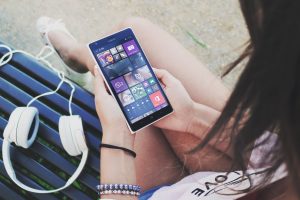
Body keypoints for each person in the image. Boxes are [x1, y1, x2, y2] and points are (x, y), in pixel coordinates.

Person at [36, 1, 300, 199]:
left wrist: (117, 137)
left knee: (119, 66)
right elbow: (273, 155)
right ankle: (81, 56)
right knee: (131, 38)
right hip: (241, 171)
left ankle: (81, 57)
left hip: (167, 191)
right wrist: (192, 117)